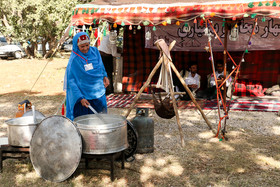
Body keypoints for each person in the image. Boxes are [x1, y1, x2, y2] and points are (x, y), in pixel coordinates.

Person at [64, 32, 110, 121]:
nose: (85, 48)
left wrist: (105, 76)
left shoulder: (95, 51)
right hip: (84, 98)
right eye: (82, 46)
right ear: (76, 46)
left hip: (98, 93)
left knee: (100, 121)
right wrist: (80, 98)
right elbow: (71, 81)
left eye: (87, 45)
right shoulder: (74, 60)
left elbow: (100, 65)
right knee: (84, 124)